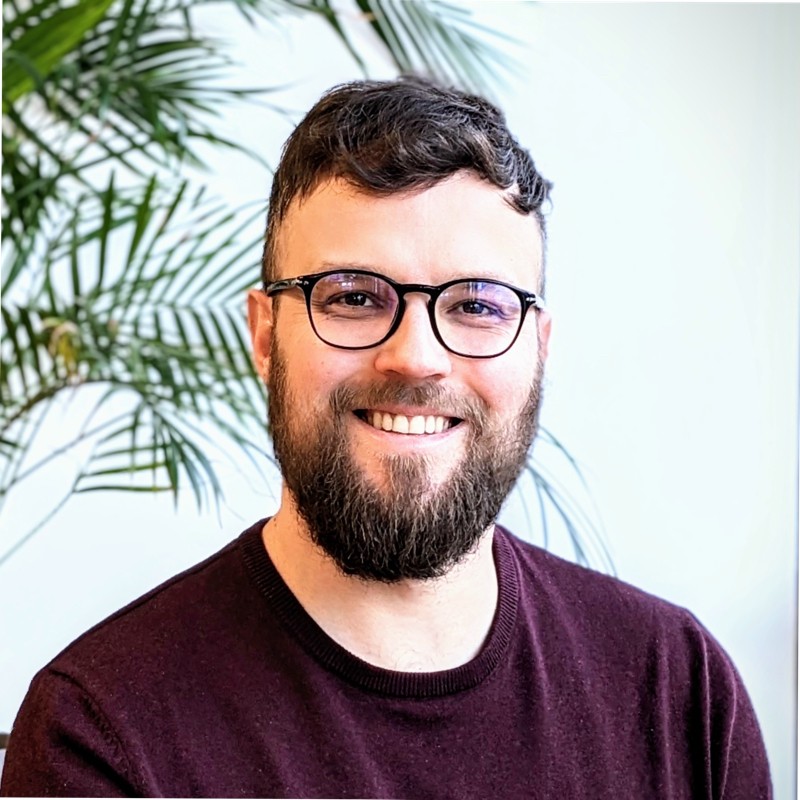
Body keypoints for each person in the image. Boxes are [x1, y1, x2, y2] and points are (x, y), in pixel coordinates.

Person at [1, 77, 772, 799]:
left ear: (538, 347)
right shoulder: (101, 734)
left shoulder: (679, 691)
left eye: (477, 305)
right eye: (354, 297)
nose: (416, 357)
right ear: (265, 335)